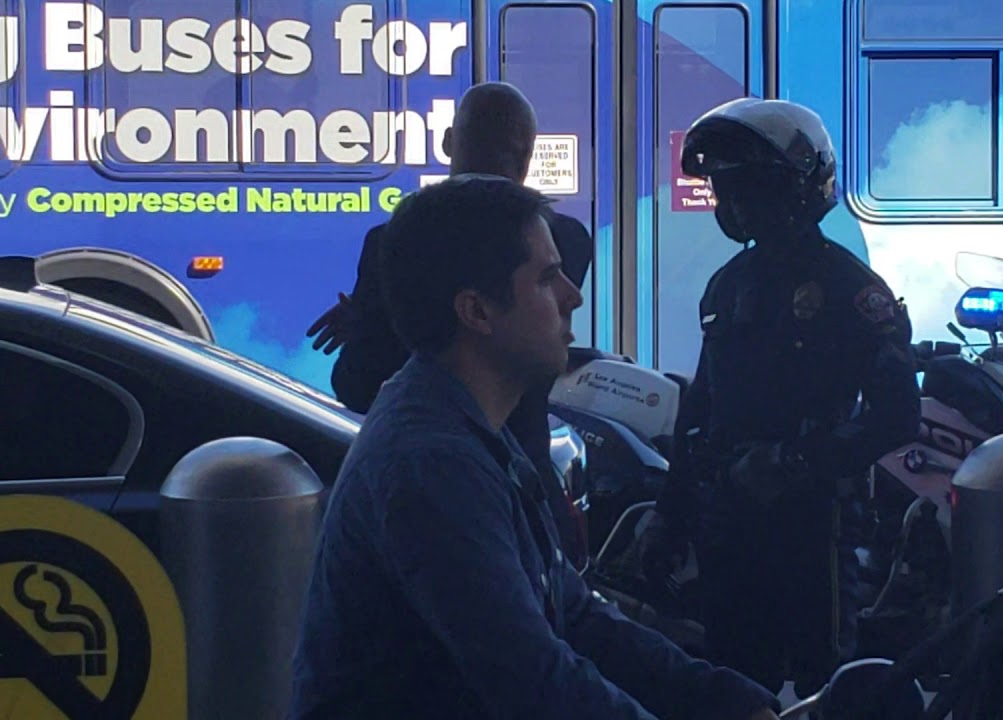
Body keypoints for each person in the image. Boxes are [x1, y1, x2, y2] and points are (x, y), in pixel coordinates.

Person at [289, 175, 783, 720]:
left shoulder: (468, 424)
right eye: (548, 279)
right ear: (476, 312)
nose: (573, 295)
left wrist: (725, 699)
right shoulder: (431, 463)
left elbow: (575, 616)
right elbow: (533, 681)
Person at [648, 98, 922, 695]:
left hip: (814, 526)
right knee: (732, 685)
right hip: (729, 524)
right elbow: (701, 410)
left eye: (750, 187)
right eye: (727, 189)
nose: (737, 203)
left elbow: (898, 416)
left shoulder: (853, 291)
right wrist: (668, 518)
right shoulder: (729, 285)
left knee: (828, 689)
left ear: (797, 187)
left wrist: (794, 464)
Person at [305, 81, 594, 566]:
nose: (570, 296)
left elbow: (357, 387)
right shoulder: (567, 241)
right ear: (527, 159)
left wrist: (373, 320)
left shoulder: (390, 245)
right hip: (531, 488)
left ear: (447, 145)